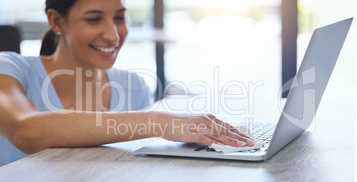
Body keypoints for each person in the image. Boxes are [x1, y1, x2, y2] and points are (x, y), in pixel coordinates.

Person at [0, 0, 255, 154]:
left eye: (119, 18)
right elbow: (26, 131)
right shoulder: (10, 68)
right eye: (94, 19)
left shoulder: (133, 86)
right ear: (56, 21)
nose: (113, 35)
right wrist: (159, 121)